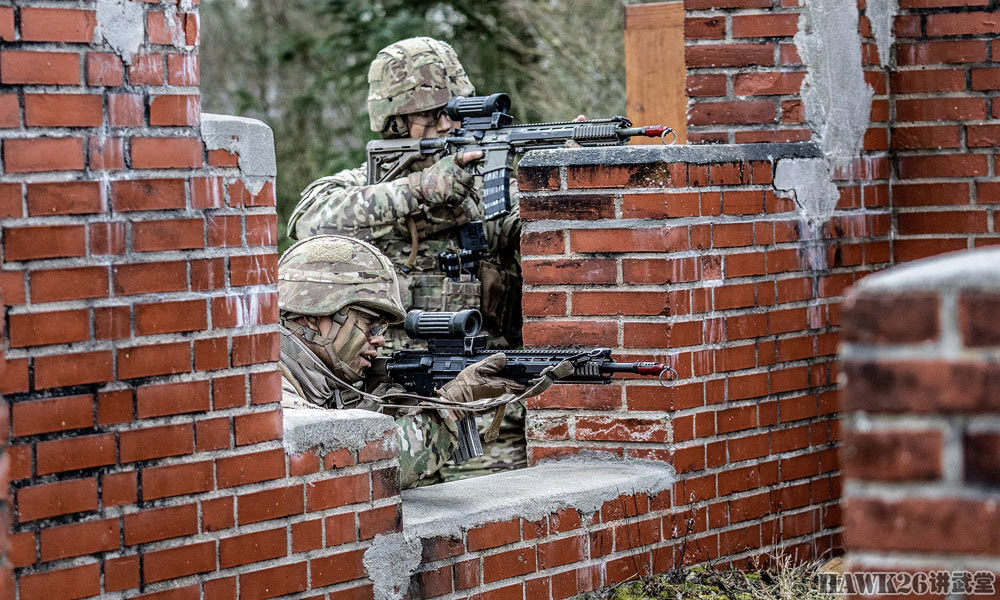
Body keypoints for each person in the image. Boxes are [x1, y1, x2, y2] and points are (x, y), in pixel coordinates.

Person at [286, 36, 526, 481]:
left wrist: (560, 180)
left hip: (487, 418)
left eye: (452, 113)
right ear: (394, 121)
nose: (445, 125)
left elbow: (538, 240)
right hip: (392, 410)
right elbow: (309, 226)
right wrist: (418, 190)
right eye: (429, 115)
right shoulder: (362, 186)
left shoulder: (485, 188)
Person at [276, 234, 560, 488]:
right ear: (312, 319)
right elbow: (356, 471)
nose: (379, 340)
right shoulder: (274, 389)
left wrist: (403, 402)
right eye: (370, 324)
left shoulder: (325, 381)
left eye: (383, 329)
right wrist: (452, 404)